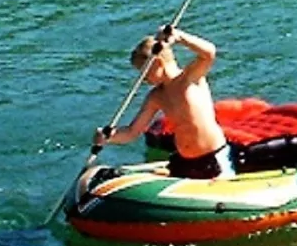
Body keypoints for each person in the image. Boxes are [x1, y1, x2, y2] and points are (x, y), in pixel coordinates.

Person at [94, 25, 235, 179]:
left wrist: (179, 37)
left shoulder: (190, 78)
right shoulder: (156, 96)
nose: (144, 80)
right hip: (184, 161)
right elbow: (131, 132)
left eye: (145, 73)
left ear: (157, 64)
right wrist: (109, 136)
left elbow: (209, 53)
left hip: (212, 158)